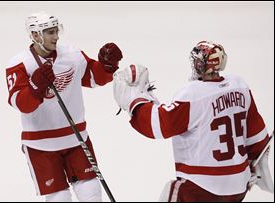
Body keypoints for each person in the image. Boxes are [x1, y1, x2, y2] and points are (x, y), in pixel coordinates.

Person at [113, 41, 273, 202]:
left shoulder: (194, 95)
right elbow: (257, 137)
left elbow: (160, 124)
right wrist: (254, 169)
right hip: (238, 186)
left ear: (199, 64)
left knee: (173, 192)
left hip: (202, 187)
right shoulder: (240, 86)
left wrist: (134, 102)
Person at [5, 11, 122, 202]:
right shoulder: (19, 63)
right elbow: (21, 104)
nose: (56, 36)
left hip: (76, 139)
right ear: (36, 35)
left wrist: (107, 66)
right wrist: (35, 88)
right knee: (59, 199)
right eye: (50, 32)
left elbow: (93, 77)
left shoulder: (72, 55)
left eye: (56, 31)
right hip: (40, 145)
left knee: (91, 193)